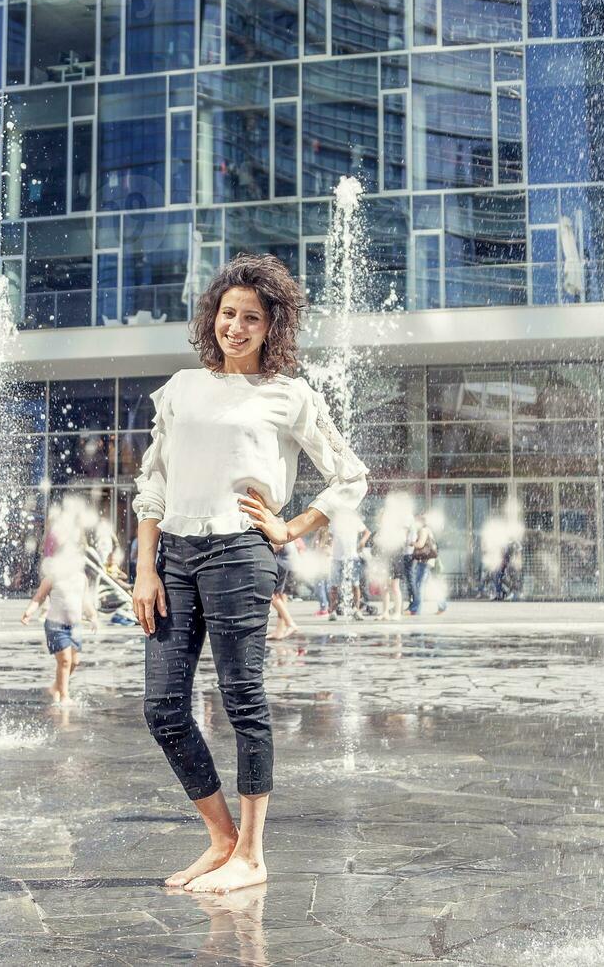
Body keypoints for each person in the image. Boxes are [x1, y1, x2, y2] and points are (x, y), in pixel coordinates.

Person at [131, 254, 368, 895]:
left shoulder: (289, 395)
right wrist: (144, 568)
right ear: (213, 318)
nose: (235, 327)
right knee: (163, 709)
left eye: (251, 318)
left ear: (272, 328)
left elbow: (351, 475)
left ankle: (253, 855)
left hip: (239, 553)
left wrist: (291, 528)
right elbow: (152, 483)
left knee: (243, 702)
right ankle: (221, 839)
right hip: (173, 558)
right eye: (228, 314)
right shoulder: (181, 388)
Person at [21, 553, 93, 703]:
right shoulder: (52, 578)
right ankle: (64, 696)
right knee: (65, 661)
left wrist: (93, 616)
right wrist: (29, 612)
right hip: (55, 625)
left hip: (75, 627)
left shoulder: (81, 578)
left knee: (74, 662)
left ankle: (56, 687)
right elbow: (38, 597)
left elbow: (85, 600)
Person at [328, 509, 370, 620]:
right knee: (334, 586)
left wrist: (362, 542)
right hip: (336, 558)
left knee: (355, 585)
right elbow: (330, 537)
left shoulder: (355, 520)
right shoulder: (335, 521)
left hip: (352, 557)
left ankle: (356, 610)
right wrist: (329, 549)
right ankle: (332, 611)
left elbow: (367, 532)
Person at [267, 540, 301, 640]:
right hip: (292, 564)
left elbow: (278, 545)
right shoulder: (283, 527)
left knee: (271, 595)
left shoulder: (276, 527)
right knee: (282, 597)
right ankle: (279, 631)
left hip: (284, 565)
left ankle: (290, 623)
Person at [405, 517, 436, 616]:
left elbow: (420, 544)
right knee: (430, 584)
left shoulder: (423, 530)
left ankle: (415, 609)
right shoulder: (428, 530)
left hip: (424, 560)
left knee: (419, 586)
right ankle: (442, 604)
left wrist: (410, 543)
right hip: (428, 560)